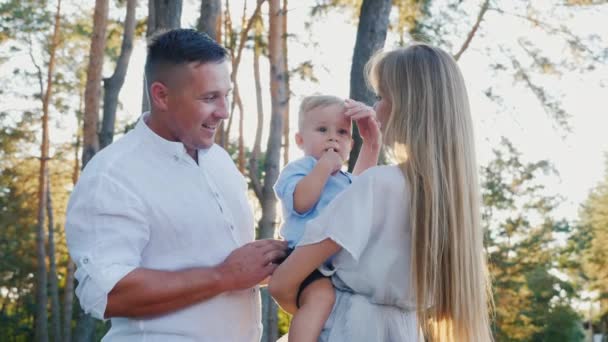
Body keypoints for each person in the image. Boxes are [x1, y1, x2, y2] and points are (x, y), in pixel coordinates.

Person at [65, 28, 287, 341]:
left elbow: (230, 270)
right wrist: (223, 276)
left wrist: (269, 263)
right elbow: (108, 293)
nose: (223, 111)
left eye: (226, 94)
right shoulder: (112, 175)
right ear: (162, 95)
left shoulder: (220, 161)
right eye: (210, 98)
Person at [269, 43, 494, 342]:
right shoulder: (450, 200)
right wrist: (372, 147)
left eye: (380, 96)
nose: (374, 108)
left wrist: (314, 309)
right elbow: (358, 208)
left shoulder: (380, 184)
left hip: (346, 329)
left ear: (406, 105)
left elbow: (282, 285)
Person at [272, 95, 380, 341]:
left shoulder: (347, 179)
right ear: (300, 139)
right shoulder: (301, 168)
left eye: (342, 132)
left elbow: (362, 188)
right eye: (322, 130)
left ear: (350, 145)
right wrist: (323, 167)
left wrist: (372, 144)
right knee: (320, 298)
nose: (333, 137)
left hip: (336, 265)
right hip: (303, 258)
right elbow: (301, 203)